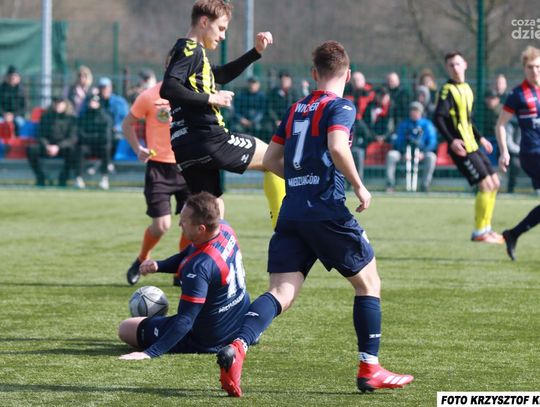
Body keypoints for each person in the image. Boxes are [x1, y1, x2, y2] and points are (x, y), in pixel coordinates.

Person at [216, 40, 414, 397]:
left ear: (313, 73)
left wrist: (298, 179)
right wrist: (360, 186)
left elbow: (271, 159)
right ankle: (370, 368)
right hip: (326, 210)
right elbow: (337, 146)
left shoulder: (295, 109)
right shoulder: (341, 106)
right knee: (369, 283)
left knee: (281, 292)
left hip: (292, 210)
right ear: (348, 75)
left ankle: (238, 345)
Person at [159, 0, 284, 228]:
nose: (223, 36)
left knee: (211, 210)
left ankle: (208, 248)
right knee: (274, 158)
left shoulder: (188, 53)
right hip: (209, 139)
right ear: (204, 22)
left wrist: (256, 52)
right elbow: (168, 88)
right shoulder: (191, 50)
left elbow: (223, 74)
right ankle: (284, 227)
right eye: (221, 28)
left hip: (185, 147)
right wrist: (211, 98)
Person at [118, 192, 250, 359]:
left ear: (201, 228)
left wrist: (149, 353)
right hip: (239, 322)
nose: (179, 223)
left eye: (184, 221)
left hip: (210, 339)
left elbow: (186, 321)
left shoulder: (198, 267)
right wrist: (159, 266)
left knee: (126, 328)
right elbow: (190, 251)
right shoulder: (224, 229)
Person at [122, 81, 191, 285]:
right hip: (159, 168)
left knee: (192, 224)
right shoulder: (149, 96)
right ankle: (141, 259)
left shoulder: (196, 93)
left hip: (188, 166)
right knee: (161, 225)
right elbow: (127, 124)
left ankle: (181, 269)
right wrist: (138, 149)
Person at [434, 51, 503, 244]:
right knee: (485, 185)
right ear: (447, 68)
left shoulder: (467, 88)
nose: (455, 68)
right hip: (461, 148)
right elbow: (438, 117)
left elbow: (467, 120)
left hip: (472, 144)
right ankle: (479, 232)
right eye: (451, 65)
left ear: (465, 64)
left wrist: (481, 138)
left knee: (495, 182)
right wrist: (451, 141)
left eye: (457, 64)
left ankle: (487, 229)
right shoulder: (447, 90)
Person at [496, 45, 540, 260]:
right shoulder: (517, 94)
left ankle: (513, 234)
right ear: (524, 69)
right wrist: (504, 151)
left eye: (538, 67)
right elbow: (500, 125)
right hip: (532, 154)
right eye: (530, 67)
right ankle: (513, 234)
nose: (535, 71)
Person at [385, 101, 437, 192]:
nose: (414, 112)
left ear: (421, 112)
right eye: (412, 110)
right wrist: (403, 152)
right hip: (405, 153)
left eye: (416, 110)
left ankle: (425, 185)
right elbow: (398, 140)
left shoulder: (427, 124)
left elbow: (432, 142)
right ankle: (390, 184)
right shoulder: (404, 124)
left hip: (421, 153)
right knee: (391, 155)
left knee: (431, 157)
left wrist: (423, 153)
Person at [26, 97, 77, 186]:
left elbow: (72, 138)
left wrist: (58, 147)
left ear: (65, 105)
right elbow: (41, 135)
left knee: (73, 151)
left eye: (60, 103)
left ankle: (63, 178)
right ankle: (40, 177)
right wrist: (47, 146)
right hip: (47, 147)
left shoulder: (71, 119)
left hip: (63, 148)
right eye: (56, 103)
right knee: (31, 149)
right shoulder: (46, 117)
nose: (58, 105)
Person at [75, 95, 113, 190]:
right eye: (91, 101)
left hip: (100, 146)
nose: (92, 103)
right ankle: (79, 178)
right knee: (80, 149)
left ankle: (104, 178)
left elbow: (106, 137)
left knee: (106, 148)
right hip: (87, 146)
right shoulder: (84, 117)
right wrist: (95, 137)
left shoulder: (105, 117)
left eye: (95, 102)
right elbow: (80, 135)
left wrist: (90, 137)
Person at [0, 65, 26, 134]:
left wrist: (13, 115)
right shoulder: (1, 89)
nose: (12, 78)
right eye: (10, 76)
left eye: (14, 77)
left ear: (18, 78)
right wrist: (4, 114)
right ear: (6, 77)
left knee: (21, 124)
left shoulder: (21, 90)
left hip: (17, 116)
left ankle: (18, 140)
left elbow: (24, 108)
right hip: (2, 116)